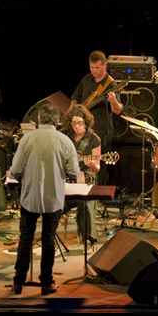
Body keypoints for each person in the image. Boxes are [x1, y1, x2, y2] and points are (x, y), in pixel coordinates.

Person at [10, 103, 78, 295]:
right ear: (58, 121)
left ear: (39, 120)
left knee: (26, 239)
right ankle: (47, 284)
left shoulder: (27, 139)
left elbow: (15, 170)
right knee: (48, 240)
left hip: (29, 197)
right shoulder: (65, 141)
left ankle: (18, 282)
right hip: (53, 198)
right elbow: (73, 172)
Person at [70, 51, 123, 155]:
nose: (93, 70)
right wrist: (71, 113)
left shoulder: (111, 84)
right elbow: (75, 96)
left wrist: (113, 101)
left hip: (101, 133)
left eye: (97, 68)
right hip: (82, 130)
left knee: (98, 165)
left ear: (104, 65)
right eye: (91, 67)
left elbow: (117, 110)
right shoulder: (86, 79)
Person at [63, 105, 101, 246]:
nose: (77, 126)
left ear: (86, 122)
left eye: (80, 123)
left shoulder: (94, 139)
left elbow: (97, 168)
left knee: (85, 203)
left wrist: (91, 164)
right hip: (66, 176)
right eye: (74, 123)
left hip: (86, 177)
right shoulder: (64, 135)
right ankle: (52, 233)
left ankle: (88, 239)